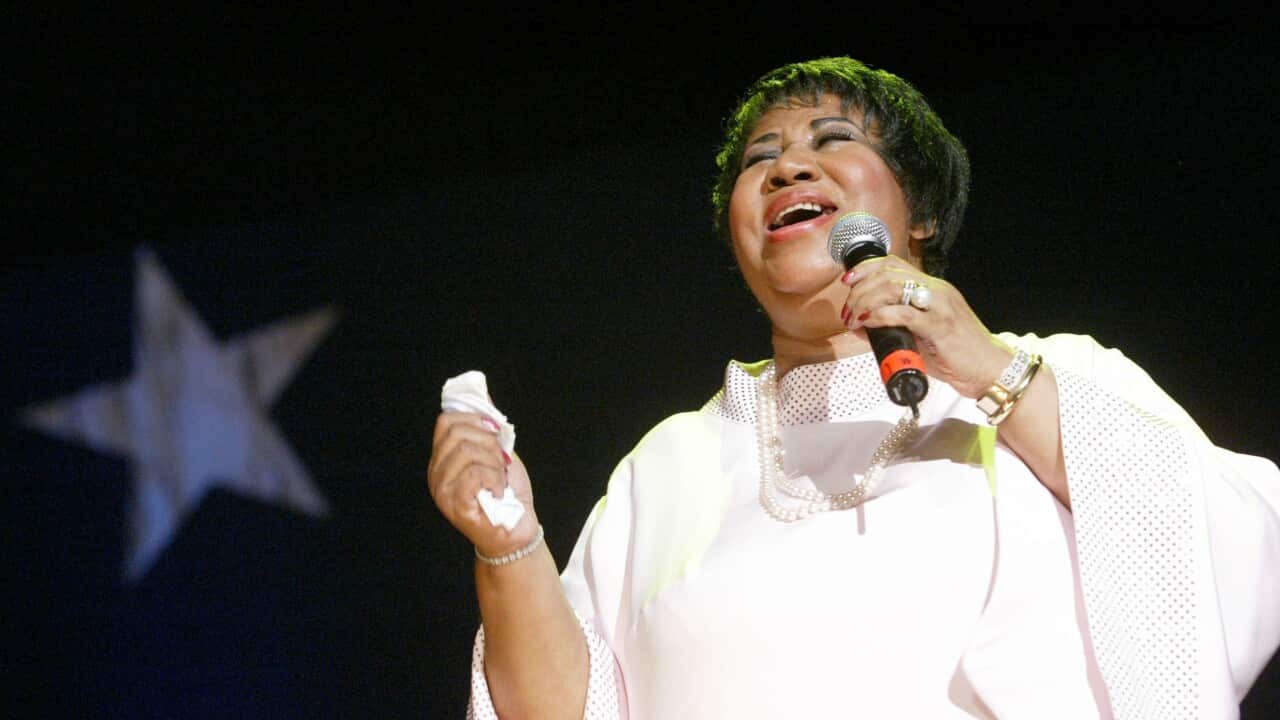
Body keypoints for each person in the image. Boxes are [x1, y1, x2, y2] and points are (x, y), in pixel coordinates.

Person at [427, 56, 1280, 719]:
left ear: (921, 215)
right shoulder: (667, 467)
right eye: (762, 159)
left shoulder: (1052, 376)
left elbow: (1225, 545)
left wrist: (987, 370)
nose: (789, 167)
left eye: (833, 142)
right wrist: (507, 546)